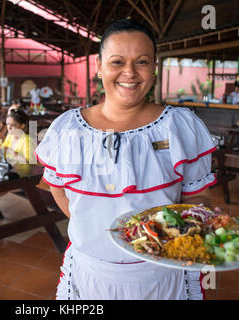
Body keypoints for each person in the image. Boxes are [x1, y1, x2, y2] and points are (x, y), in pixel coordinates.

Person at [35, 19, 217, 300]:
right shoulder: (68, 129)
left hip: (162, 275)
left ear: (154, 68)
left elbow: (196, 197)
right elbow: (58, 191)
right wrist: (101, 230)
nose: (129, 73)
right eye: (117, 61)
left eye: (142, 62)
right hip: (90, 272)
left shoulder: (180, 126)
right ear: (99, 67)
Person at [0, 109, 35, 225]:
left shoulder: (28, 140)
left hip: (21, 177)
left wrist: (9, 151)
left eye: (13, 125)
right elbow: (3, 154)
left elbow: (30, 162)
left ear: (22, 126)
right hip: (7, 173)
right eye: (7, 124)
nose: (9, 128)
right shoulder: (10, 137)